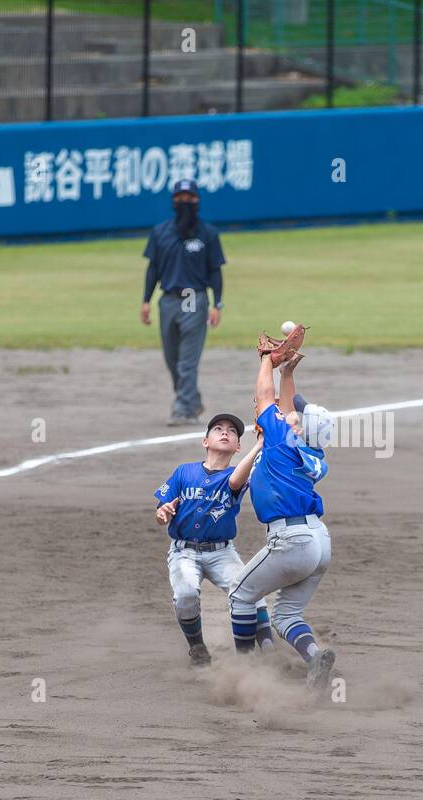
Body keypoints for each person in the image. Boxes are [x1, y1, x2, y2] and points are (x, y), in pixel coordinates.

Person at [227, 352, 337, 690]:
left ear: (299, 428)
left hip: (293, 540)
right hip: (319, 542)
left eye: (298, 415)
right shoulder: (311, 451)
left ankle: (246, 671)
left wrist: (266, 360)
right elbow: (285, 405)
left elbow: (264, 396)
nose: (291, 411)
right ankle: (315, 657)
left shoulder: (279, 440)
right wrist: (287, 373)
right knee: (287, 615)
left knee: (240, 595)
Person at [154, 413, 273, 665]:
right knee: (185, 595)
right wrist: (163, 513)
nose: (225, 432)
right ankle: (197, 648)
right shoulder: (183, 472)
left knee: (251, 592)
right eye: (218, 428)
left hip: (222, 553)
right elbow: (161, 512)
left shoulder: (236, 475)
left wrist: (260, 445)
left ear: (238, 446)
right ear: (205, 441)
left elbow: (236, 481)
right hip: (184, 552)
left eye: (232, 431)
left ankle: (269, 649)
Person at [141, 180, 227, 426]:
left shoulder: (208, 233)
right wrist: (146, 301)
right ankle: (192, 399)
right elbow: (153, 269)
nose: (185, 202)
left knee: (187, 361)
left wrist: (217, 304)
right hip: (168, 300)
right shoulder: (160, 232)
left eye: (189, 198)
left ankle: (183, 410)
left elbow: (215, 271)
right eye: (180, 198)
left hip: (195, 300)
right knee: (172, 359)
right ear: (173, 201)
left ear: (197, 200)